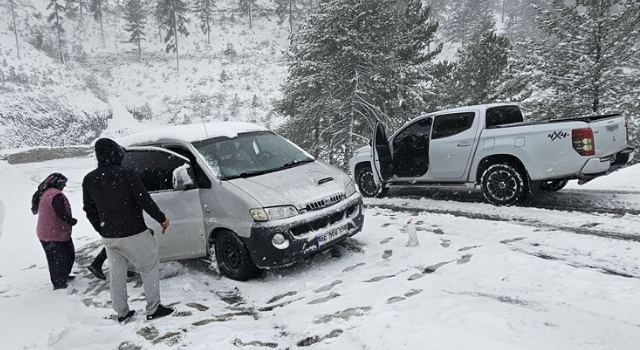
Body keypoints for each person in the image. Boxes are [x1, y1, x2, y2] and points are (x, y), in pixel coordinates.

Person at [82, 138, 174, 323]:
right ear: (115, 153)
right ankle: (153, 308)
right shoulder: (127, 173)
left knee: (117, 274)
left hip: (109, 237)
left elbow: (89, 210)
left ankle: (122, 313)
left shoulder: (89, 179)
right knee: (148, 267)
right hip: (134, 232)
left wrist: (102, 230)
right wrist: (161, 218)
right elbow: (144, 199)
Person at [31, 173, 77, 290]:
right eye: (63, 184)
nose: (64, 186)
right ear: (57, 183)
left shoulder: (47, 192)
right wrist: (71, 221)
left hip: (49, 232)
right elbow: (60, 212)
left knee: (63, 256)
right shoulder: (55, 195)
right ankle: (59, 283)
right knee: (59, 258)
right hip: (53, 233)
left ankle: (62, 276)